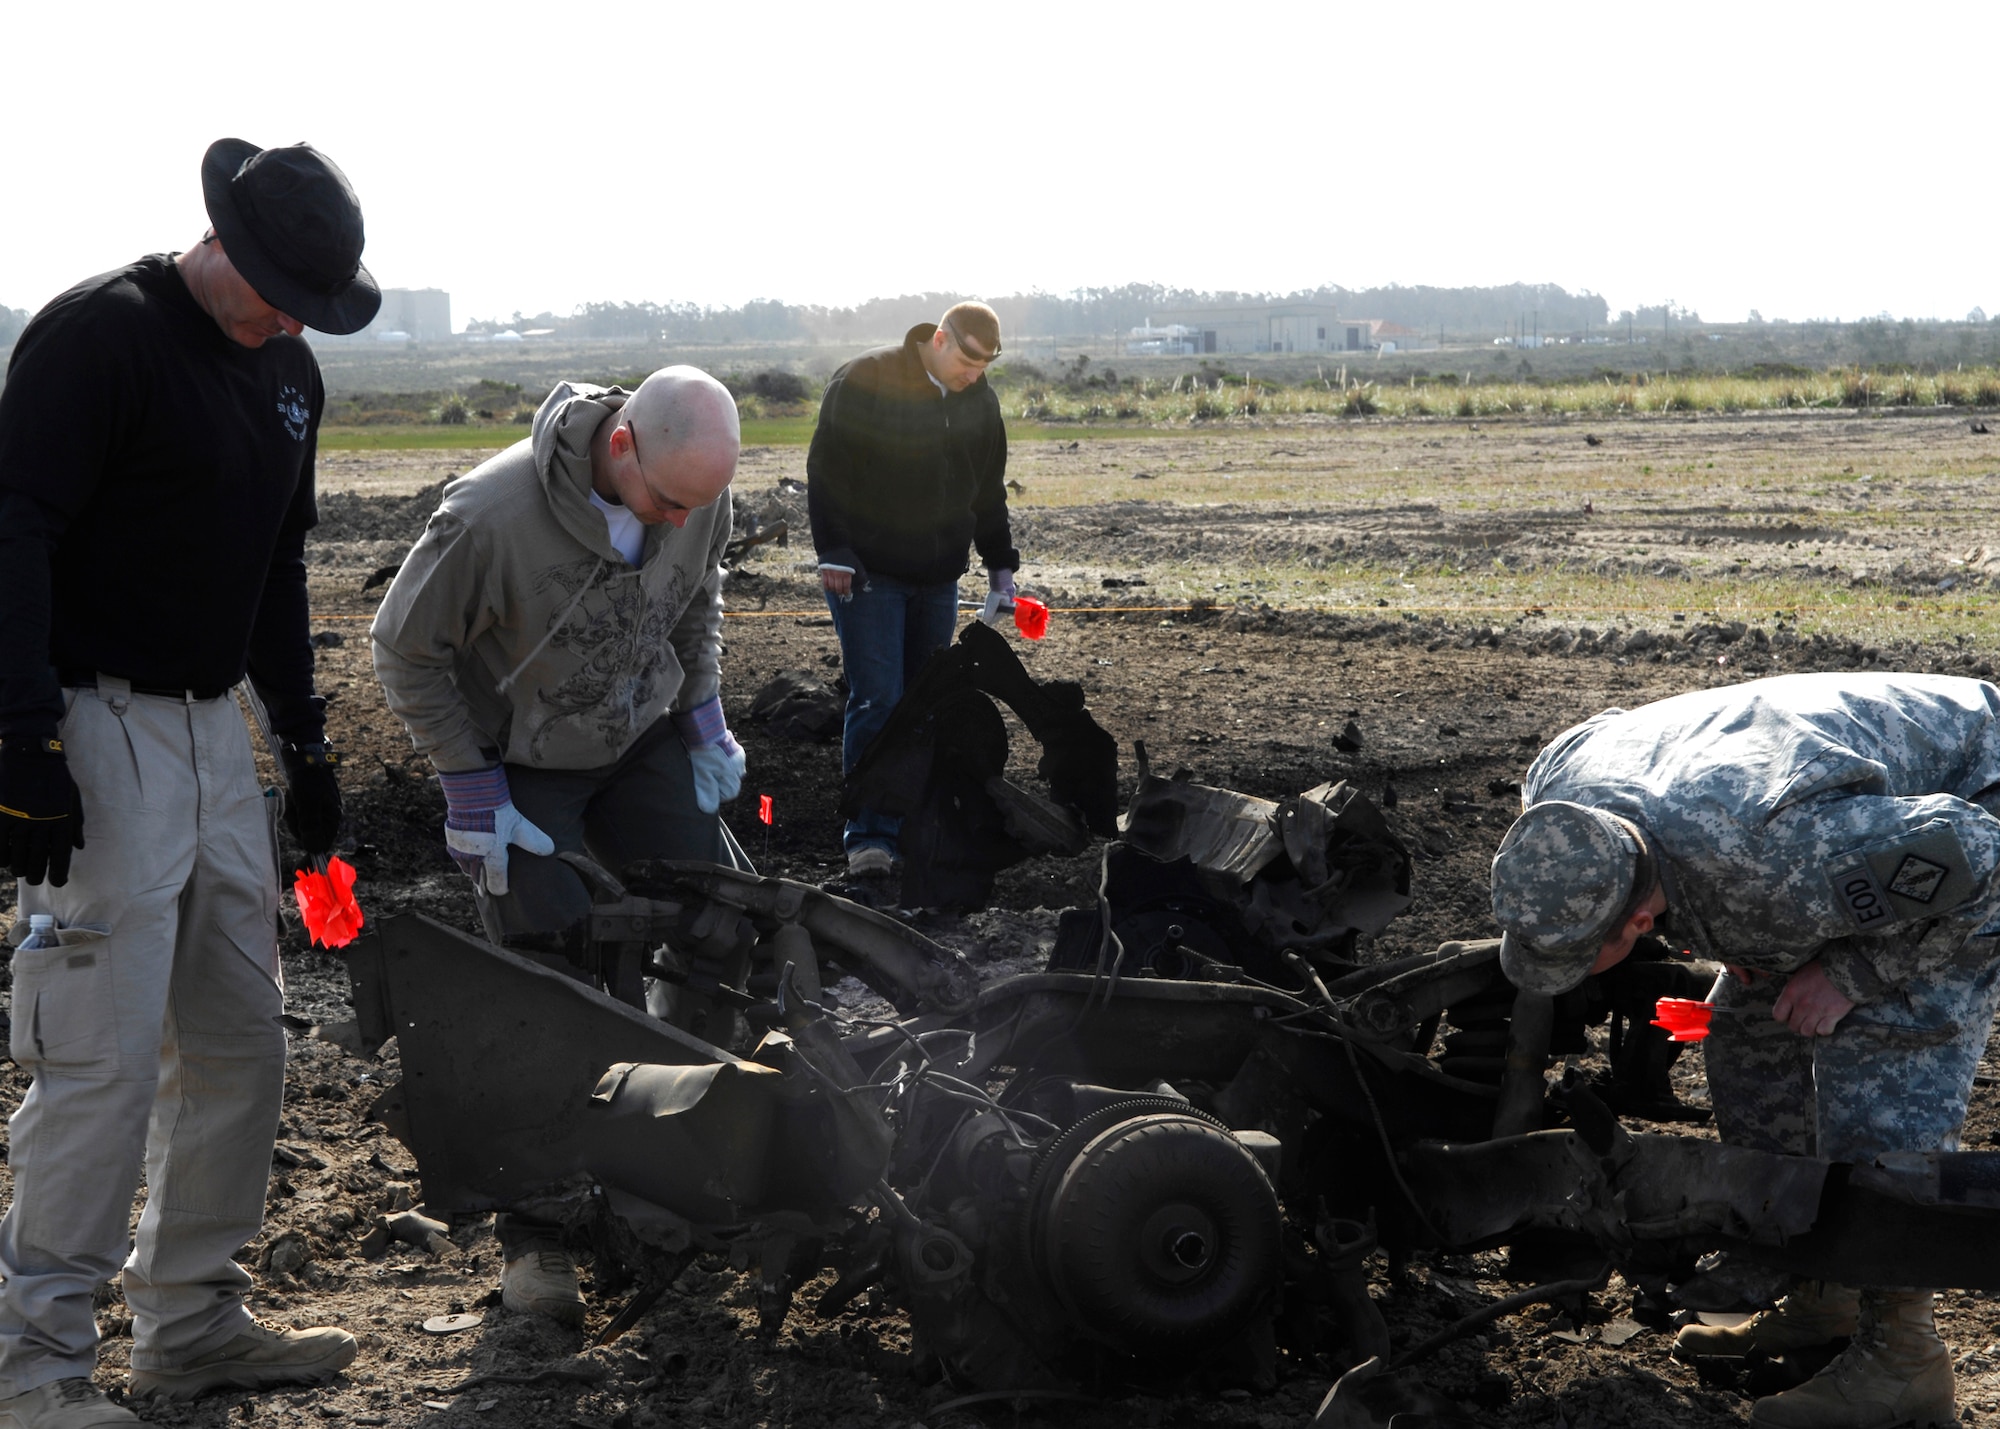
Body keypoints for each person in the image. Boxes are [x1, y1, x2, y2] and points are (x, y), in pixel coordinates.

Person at [0, 139, 376, 1426]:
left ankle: (190, 1320)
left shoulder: (289, 371)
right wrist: (21, 737)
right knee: (97, 1053)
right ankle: (37, 1369)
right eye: (268, 285)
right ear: (214, 238)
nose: (278, 315)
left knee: (239, 1040)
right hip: (96, 721)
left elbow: (275, 569)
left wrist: (307, 744)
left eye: (302, 302)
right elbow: (13, 528)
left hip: (218, 735)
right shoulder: (99, 338)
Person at [1490, 671, 2000, 1429]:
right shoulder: (1558, 786)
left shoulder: (1772, 856)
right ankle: (1820, 1285)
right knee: (1747, 1034)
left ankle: (1903, 1359)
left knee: (1884, 1051)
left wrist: (1854, 970)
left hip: (1977, 807)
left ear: (1634, 923)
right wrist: (1757, 934)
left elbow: (1980, 856)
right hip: (1809, 820)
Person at [370, 365, 750, 1325]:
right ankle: (539, 1242)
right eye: (664, 500)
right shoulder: (488, 518)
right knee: (545, 971)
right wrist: (468, 779)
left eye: (692, 506)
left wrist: (701, 713)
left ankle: (691, 1173)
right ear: (621, 444)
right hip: (526, 759)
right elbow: (402, 648)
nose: (673, 522)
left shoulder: (694, 493)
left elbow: (699, 594)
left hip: (641, 734)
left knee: (723, 922)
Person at [806, 302, 1019, 879]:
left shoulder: (979, 399)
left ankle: (920, 828)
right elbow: (828, 472)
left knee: (926, 705)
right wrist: (835, 551)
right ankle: (870, 837)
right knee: (879, 699)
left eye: (985, 367)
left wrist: (1001, 568)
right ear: (941, 339)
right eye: (968, 362)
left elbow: (987, 490)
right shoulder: (866, 380)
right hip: (869, 574)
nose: (974, 376)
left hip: (939, 577)